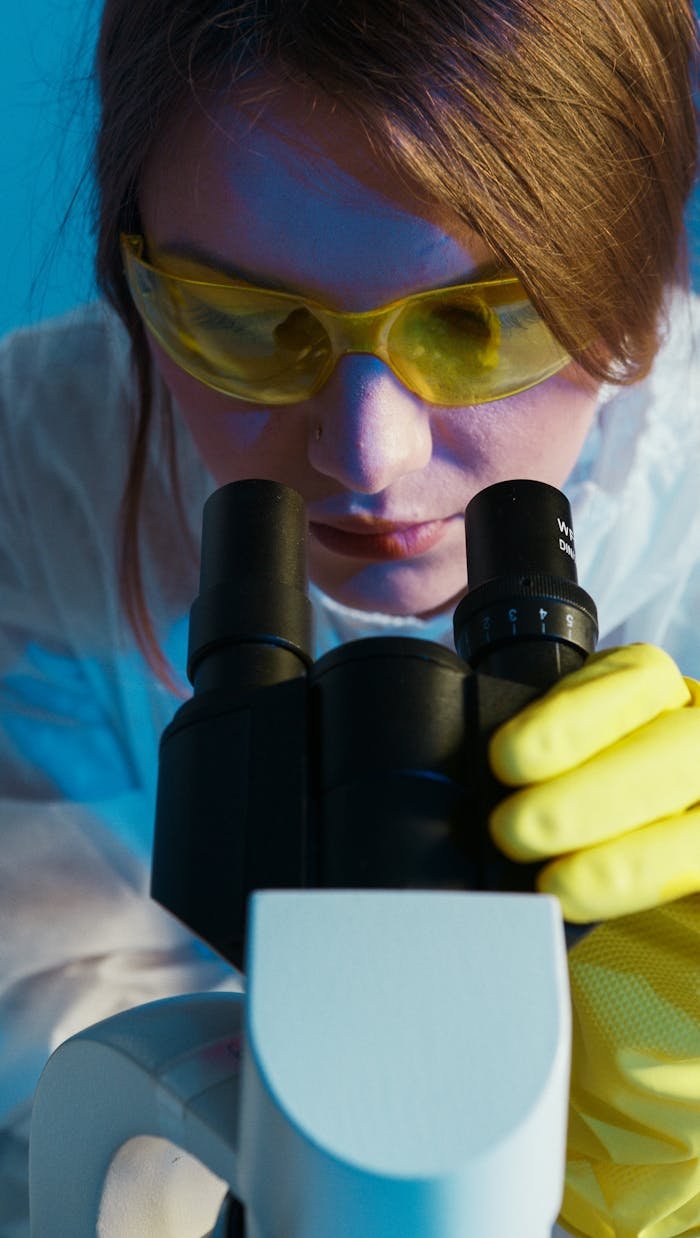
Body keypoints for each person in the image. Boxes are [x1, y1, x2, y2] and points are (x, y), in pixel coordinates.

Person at [1, 0, 699, 1234]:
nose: (368, 456)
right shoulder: (32, 467)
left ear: (636, 289)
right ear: (130, 278)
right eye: (244, 323)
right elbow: (65, 1020)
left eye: (479, 323)